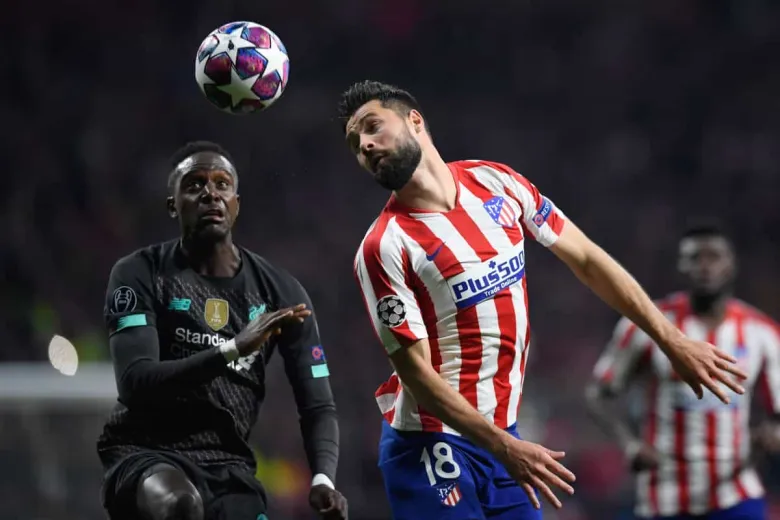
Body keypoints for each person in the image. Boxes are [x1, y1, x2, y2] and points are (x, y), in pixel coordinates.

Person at [337, 80, 747, 520]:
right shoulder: (384, 247)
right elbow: (416, 375)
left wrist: (671, 340)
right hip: (429, 445)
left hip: (503, 436)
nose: (365, 146)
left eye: (372, 127)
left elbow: (587, 258)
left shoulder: (495, 181)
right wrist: (504, 446)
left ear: (415, 121)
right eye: (356, 144)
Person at [97, 141, 348, 520]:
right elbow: (135, 381)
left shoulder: (280, 292)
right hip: (147, 452)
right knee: (180, 505)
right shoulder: (139, 272)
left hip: (229, 465)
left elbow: (317, 404)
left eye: (222, 184)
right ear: (173, 205)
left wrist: (323, 479)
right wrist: (232, 349)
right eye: (195, 184)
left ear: (236, 203)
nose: (210, 193)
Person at [586, 222, 780, 519]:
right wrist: (630, 444)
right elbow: (598, 394)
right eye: (694, 258)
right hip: (665, 495)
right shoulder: (647, 324)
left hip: (735, 492)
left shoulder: (761, 332)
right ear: (681, 266)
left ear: (731, 265)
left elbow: (777, 411)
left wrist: (773, 433)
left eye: (714, 257)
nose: (705, 266)